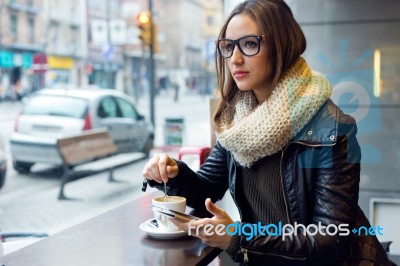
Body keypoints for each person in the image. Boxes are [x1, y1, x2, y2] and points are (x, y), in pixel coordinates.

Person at [142, 0, 391, 265]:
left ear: (281, 46)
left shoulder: (331, 128)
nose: (235, 59)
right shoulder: (238, 123)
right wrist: (172, 172)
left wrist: (240, 238)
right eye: (228, 47)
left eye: (249, 44)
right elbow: (206, 190)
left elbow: (331, 240)